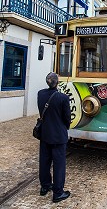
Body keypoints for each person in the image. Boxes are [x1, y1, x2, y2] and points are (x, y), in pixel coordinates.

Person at [37, 72, 71, 203]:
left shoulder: (40, 94)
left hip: (45, 134)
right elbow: (67, 118)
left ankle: (45, 187)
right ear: (57, 82)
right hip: (58, 136)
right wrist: (65, 127)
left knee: (44, 162)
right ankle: (58, 193)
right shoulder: (63, 98)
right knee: (59, 164)